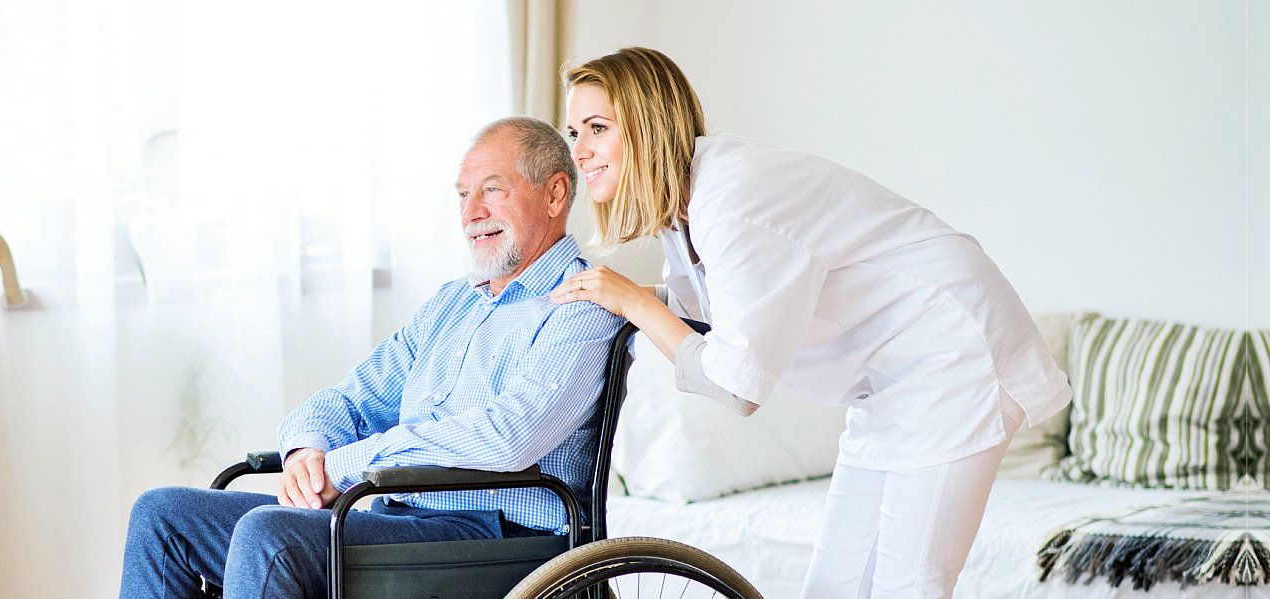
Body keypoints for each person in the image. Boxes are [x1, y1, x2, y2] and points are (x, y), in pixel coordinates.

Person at [546, 47, 1072, 598]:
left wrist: (634, 303)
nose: (578, 151)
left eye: (596, 128)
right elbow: (706, 304)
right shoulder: (687, 204)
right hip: (891, 378)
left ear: (648, 126)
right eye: (573, 131)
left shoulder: (729, 198)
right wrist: (621, 298)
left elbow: (736, 384)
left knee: (908, 585)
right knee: (834, 585)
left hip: (955, 355)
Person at [119, 117, 622, 599]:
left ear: (555, 194)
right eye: (463, 196)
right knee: (162, 517)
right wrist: (308, 455)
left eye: (492, 190)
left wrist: (350, 466)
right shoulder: (453, 302)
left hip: (498, 537)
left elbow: (509, 436)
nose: (471, 214)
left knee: (270, 534)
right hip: (394, 517)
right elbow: (355, 399)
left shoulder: (583, 303)